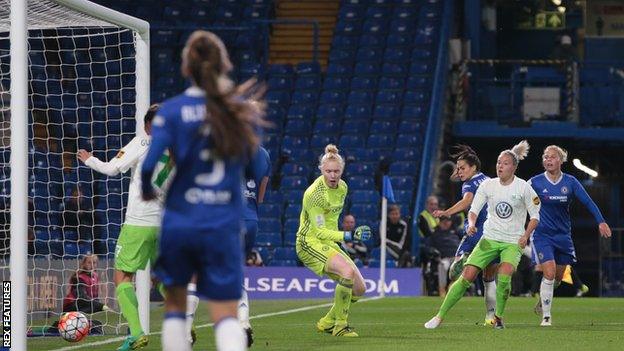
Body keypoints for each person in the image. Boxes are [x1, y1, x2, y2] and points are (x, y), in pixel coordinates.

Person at [141, 30, 264, 351]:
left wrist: (148, 192)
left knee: (176, 306)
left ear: (185, 69)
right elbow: (251, 167)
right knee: (225, 309)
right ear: (223, 66)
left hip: (183, 219)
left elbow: (148, 166)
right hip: (223, 219)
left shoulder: (170, 110)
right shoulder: (235, 112)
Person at [78, 104, 174, 351]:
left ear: (149, 126)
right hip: (163, 224)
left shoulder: (143, 143)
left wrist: (90, 160)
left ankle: (137, 333)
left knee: (122, 277)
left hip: (138, 222)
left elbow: (111, 169)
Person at [425, 140, 540, 330]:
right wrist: (470, 224)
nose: (499, 166)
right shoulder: (487, 184)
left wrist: (526, 235)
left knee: (502, 278)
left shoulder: (524, 188)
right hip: (487, 238)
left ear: (514, 166)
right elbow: (473, 209)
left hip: (512, 241)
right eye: (498, 162)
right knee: (468, 276)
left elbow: (535, 216)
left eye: (504, 163)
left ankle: (498, 318)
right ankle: (439, 317)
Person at [528, 145, 611, 326]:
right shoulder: (534, 182)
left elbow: (588, 202)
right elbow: (519, 199)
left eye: (552, 157)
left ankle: (543, 299)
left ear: (561, 160)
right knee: (548, 273)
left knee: (557, 277)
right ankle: (546, 317)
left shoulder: (571, 182)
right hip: (542, 235)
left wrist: (601, 221)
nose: (548, 160)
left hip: (563, 236)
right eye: (545, 157)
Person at [296, 144, 371, 337]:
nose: (333, 175)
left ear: (342, 171)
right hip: (309, 242)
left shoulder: (343, 187)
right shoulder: (314, 194)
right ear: (321, 170)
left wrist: (340, 238)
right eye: (328, 171)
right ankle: (340, 326)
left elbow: (330, 224)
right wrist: (348, 235)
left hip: (329, 242)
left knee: (360, 288)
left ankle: (327, 322)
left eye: (336, 171)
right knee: (347, 272)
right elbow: (320, 231)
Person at [432, 144, 498, 324]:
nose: (459, 172)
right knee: (489, 278)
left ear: (473, 167)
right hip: (492, 233)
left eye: (462, 168)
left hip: (474, 230)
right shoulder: (488, 180)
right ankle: (490, 317)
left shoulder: (469, 184)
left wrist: (446, 212)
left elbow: (466, 201)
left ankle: (464, 259)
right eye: (457, 168)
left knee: (455, 274)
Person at [428, 217, 461, 296]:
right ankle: (442, 289)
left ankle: (454, 287)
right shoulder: (435, 234)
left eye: (448, 221)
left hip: (457, 257)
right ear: (440, 222)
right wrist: (433, 251)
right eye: (444, 221)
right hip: (444, 258)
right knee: (442, 265)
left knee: (462, 263)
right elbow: (428, 246)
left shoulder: (456, 232)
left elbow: (466, 239)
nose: (446, 223)